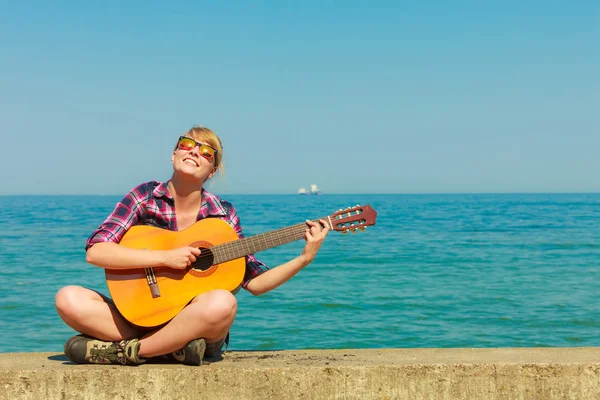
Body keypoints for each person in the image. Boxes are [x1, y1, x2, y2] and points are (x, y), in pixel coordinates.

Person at [55, 126, 330, 366]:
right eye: (186, 144)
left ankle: (129, 353)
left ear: (213, 170)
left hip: (197, 328)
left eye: (206, 151)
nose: (194, 152)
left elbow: (255, 283)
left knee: (222, 303)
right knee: (68, 298)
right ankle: (169, 350)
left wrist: (304, 258)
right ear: (173, 155)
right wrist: (166, 258)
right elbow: (97, 251)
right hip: (139, 318)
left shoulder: (223, 214)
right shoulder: (144, 197)